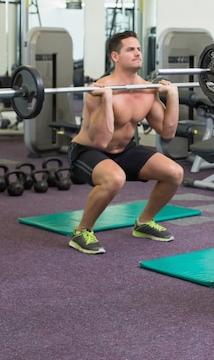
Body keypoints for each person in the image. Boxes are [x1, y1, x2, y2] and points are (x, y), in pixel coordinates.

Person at [67, 30, 184, 254]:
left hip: (124, 150)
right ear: (115, 56)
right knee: (115, 178)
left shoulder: (147, 90)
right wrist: (107, 100)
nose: (137, 53)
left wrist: (173, 96)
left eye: (138, 49)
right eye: (130, 49)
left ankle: (144, 223)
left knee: (174, 173)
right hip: (87, 151)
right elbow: (101, 140)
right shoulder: (98, 90)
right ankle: (82, 231)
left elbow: (167, 132)